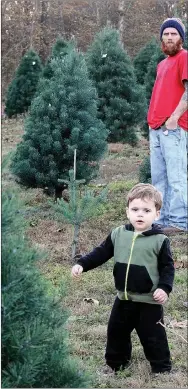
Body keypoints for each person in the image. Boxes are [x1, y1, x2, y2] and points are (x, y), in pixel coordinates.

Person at [71, 183, 175, 374]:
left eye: (146, 210)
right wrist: (83, 264)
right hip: (123, 298)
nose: (140, 214)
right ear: (127, 212)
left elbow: (168, 268)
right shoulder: (119, 234)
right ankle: (116, 364)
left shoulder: (160, 241)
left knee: (153, 336)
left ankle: (161, 368)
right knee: (116, 332)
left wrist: (164, 288)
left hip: (149, 301)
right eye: (135, 209)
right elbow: (101, 252)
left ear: (157, 214)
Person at [147, 18, 188, 234]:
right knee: (159, 178)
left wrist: (174, 118)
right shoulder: (162, 64)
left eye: (174, 34)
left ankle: (180, 223)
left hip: (173, 128)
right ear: (161, 38)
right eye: (166, 34)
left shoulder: (185, 57)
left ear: (180, 37)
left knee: (176, 176)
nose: (170, 37)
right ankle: (161, 220)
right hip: (155, 128)